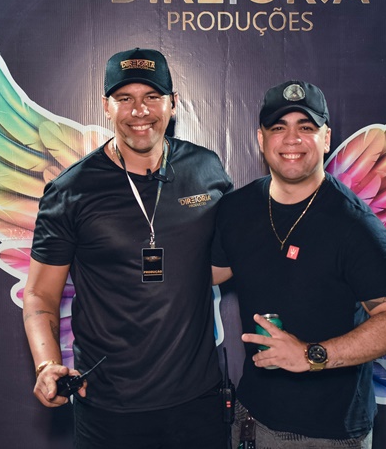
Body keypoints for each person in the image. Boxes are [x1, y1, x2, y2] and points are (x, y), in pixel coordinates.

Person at [23, 48, 233, 449]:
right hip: (108, 406)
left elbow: (215, 267)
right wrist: (47, 364)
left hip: (197, 400)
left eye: (152, 96)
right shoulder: (71, 191)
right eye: (125, 98)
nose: (140, 111)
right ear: (106, 106)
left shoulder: (206, 168)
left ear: (173, 103)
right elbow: (39, 294)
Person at [212, 80, 386, 448]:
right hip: (253, 419)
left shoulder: (354, 224)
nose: (292, 139)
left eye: (306, 127)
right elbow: (211, 272)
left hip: (328, 433)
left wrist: (312, 355)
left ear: (326, 139)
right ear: (261, 139)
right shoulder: (236, 209)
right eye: (279, 127)